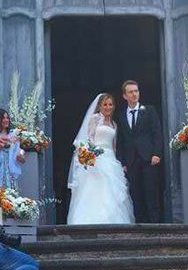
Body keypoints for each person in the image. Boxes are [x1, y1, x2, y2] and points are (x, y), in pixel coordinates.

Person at [67, 93, 134, 224]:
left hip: (110, 159)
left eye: (110, 104)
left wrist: (117, 162)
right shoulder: (95, 119)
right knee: (94, 188)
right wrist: (90, 155)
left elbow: (114, 146)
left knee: (112, 190)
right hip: (96, 158)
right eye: (105, 104)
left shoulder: (114, 124)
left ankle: (113, 220)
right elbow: (89, 139)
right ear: (100, 106)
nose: (108, 107)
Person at [115, 80, 163, 223]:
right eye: (131, 92)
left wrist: (157, 153)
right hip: (131, 161)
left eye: (136, 91)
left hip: (149, 158)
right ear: (124, 96)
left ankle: (155, 225)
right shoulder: (121, 115)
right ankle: (139, 225)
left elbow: (157, 133)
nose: (134, 94)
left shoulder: (149, 110)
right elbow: (121, 140)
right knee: (135, 193)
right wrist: (122, 162)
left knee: (151, 192)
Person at [0, 108, 25, 188]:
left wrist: (21, 155)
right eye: (3, 118)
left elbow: (20, 150)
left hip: (10, 168)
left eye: (7, 118)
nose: (6, 120)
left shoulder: (13, 135)